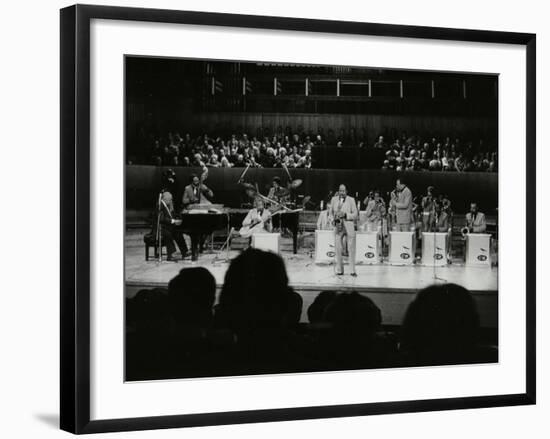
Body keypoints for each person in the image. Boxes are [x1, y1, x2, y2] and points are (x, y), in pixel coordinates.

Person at [329, 184, 358, 276]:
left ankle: (352, 270)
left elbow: (355, 214)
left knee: (351, 249)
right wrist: (332, 220)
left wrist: (345, 215)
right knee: (338, 249)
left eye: (343, 191)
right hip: (338, 227)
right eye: (340, 191)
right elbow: (330, 214)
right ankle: (339, 270)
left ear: (346, 191)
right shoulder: (334, 199)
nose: (342, 193)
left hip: (348, 227)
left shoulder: (351, 200)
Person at [156, 191, 188, 261]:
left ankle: (184, 252)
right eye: (170, 199)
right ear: (166, 199)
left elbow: (171, 215)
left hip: (168, 226)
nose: (171, 201)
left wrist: (176, 220)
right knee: (168, 234)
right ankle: (170, 255)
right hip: (162, 228)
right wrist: (173, 221)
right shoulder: (160, 205)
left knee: (178, 233)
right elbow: (161, 219)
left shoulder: (167, 205)